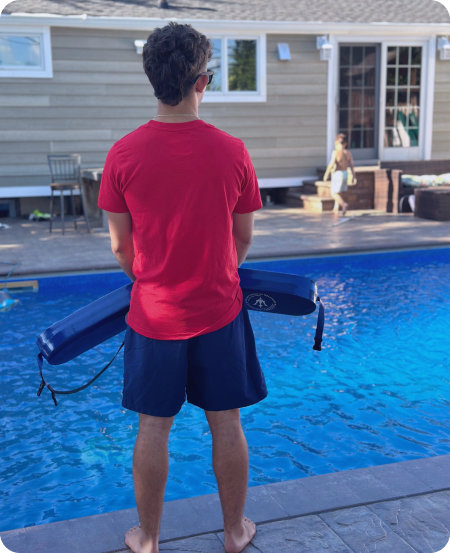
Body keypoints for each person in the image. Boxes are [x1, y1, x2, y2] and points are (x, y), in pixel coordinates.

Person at [98, 22, 267, 553]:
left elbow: (121, 249)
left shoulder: (122, 155)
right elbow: (241, 240)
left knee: (154, 427)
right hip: (219, 310)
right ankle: (235, 532)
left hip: (154, 316)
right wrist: (211, 271)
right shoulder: (233, 151)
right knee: (226, 424)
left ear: (153, 80)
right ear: (203, 81)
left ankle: (147, 537)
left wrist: (154, 279)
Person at [323, 133, 356, 216]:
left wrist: (326, 174)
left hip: (338, 174)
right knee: (339, 191)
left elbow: (331, 164)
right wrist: (353, 177)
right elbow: (352, 165)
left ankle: (343, 204)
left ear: (337, 143)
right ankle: (336, 208)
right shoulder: (348, 153)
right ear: (346, 144)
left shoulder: (336, 152)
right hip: (345, 174)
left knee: (333, 193)